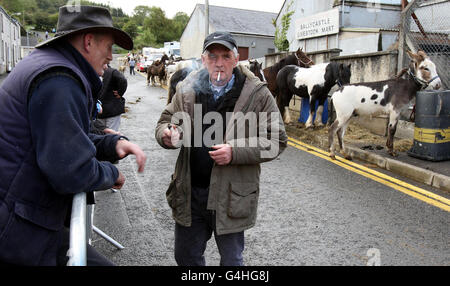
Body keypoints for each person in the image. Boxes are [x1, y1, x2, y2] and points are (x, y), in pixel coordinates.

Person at [0, 5, 147, 266]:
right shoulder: (60, 80)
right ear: (88, 41)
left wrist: (112, 145)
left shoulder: (51, 66)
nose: (111, 57)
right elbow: (70, 169)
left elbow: (66, 138)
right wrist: (112, 174)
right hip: (18, 227)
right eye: (109, 47)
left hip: (24, 213)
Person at [155, 31, 287, 266]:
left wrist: (235, 152)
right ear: (203, 59)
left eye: (226, 56)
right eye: (212, 56)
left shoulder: (257, 93)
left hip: (232, 195)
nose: (219, 63)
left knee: (231, 261)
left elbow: (276, 140)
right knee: (186, 258)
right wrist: (167, 134)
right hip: (190, 192)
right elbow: (166, 120)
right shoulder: (187, 88)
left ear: (236, 60)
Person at [97, 64, 128, 132]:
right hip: (107, 111)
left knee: (105, 134)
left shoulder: (110, 72)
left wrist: (120, 93)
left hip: (106, 111)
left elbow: (123, 80)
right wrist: (120, 92)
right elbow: (123, 80)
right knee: (108, 134)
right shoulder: (111, 71)